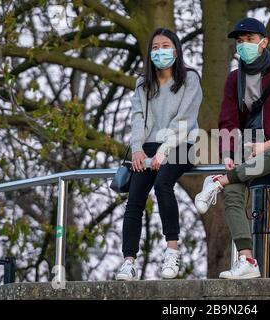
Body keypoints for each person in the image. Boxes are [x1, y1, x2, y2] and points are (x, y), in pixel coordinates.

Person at [194, 17, 270, 279]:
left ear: (263, 43)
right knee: (232, 194)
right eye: (240, 41)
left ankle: (218, 181)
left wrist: (269, 143)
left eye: (250, 40)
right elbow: (228, 120)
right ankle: (247, 260)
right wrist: (229, 154)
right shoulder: (234, 80)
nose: (244, 45)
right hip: (245, 148)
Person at [116, 28, 202, 281]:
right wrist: (137, 150)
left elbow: (185, 119)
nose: (159, 51)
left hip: (183, 142)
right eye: (155, 47)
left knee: (163, 184)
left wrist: (164, 151)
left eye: (165, 46)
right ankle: (128, 261)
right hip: (150, 145)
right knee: (135, 198)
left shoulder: (190, 79)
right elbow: (137, 118)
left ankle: (172, 251)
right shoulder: (143, 83)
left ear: (175, 50)